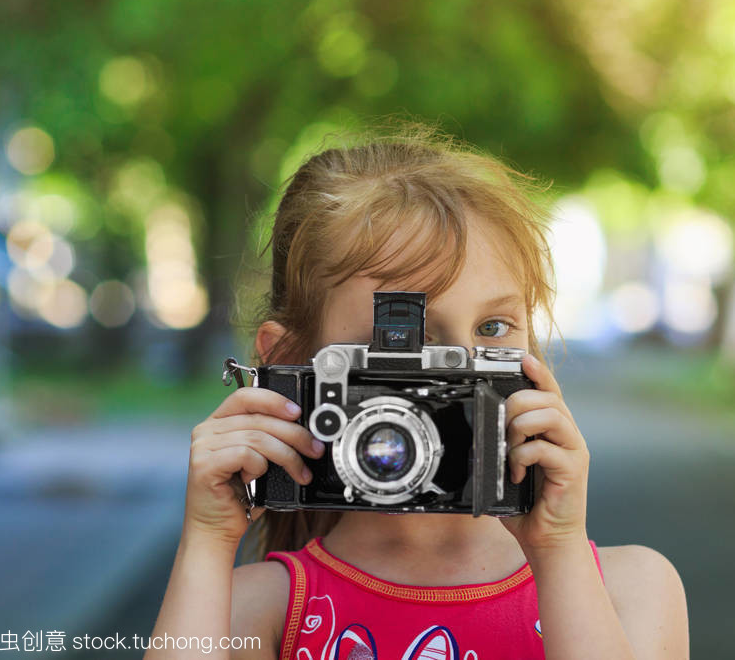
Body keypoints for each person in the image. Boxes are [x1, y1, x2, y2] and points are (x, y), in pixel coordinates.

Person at [144, 123, 689, 660]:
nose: (461, 375)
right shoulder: (257, 611)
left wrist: (559, 549)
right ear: (291, 364)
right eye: (405, 345)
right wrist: (207, 541)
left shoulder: (630, 591)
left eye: (493, 328)